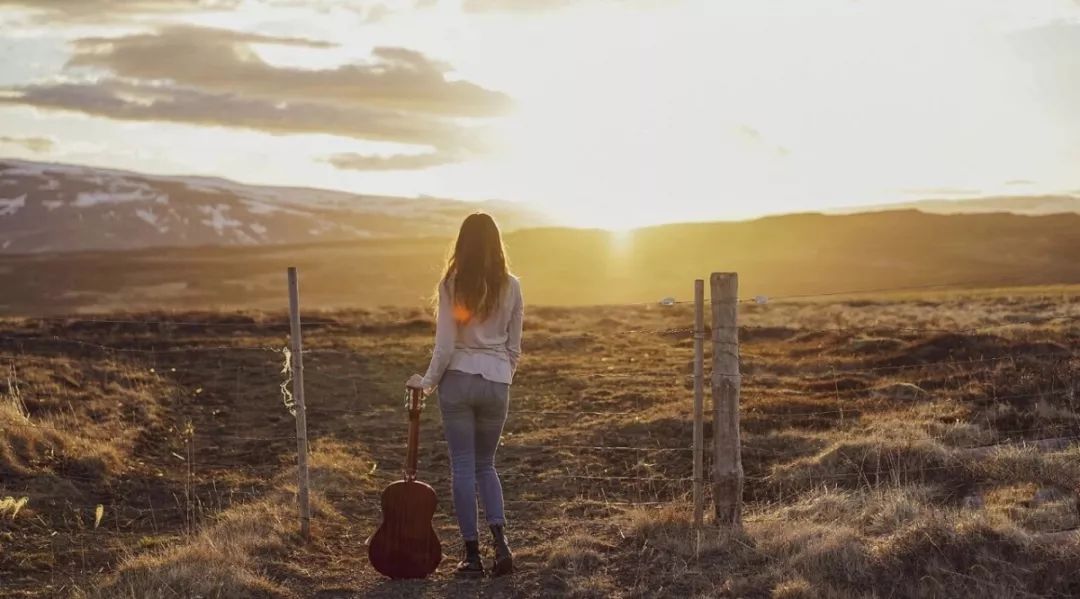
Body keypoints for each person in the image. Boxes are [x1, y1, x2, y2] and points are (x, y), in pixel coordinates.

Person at [406, 212, 523, 578]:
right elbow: (515, 347)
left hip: (457, 380)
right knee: (486, 465)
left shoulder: (452, 283)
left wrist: (426, 383)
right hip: (496, 382)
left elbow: (444, 345)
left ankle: (471, 556)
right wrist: (502, 375)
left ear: (462, 243)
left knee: (462, 466)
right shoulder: (513, 285)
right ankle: (502, 546)